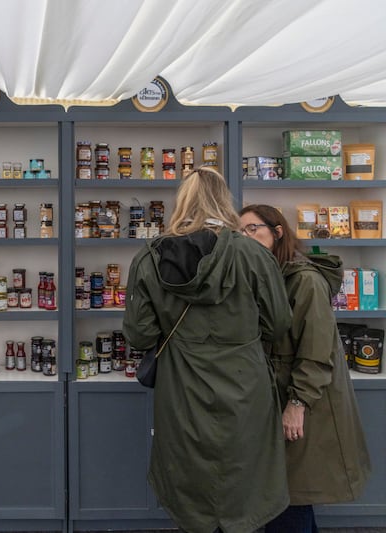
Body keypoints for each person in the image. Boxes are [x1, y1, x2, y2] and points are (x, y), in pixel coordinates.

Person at [123, 167, 293, 533]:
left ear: (182, 202)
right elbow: (279, 324)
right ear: (225, 200)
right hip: (245, 385)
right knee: (245, 484)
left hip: (182, 387)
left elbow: (139, 335)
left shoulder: (150, 257)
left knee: (190, 486)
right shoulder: (253, 255)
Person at [239, 204, 371, 533]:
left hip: (306, 402)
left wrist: (296, 404)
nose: (245, 237)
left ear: (278, 231)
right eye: (239, 232)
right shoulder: (270, 275)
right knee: (289, 492)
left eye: (252, 229)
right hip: (283, 395)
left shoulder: (305, 280)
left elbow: (316, 352)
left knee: (290, 493)